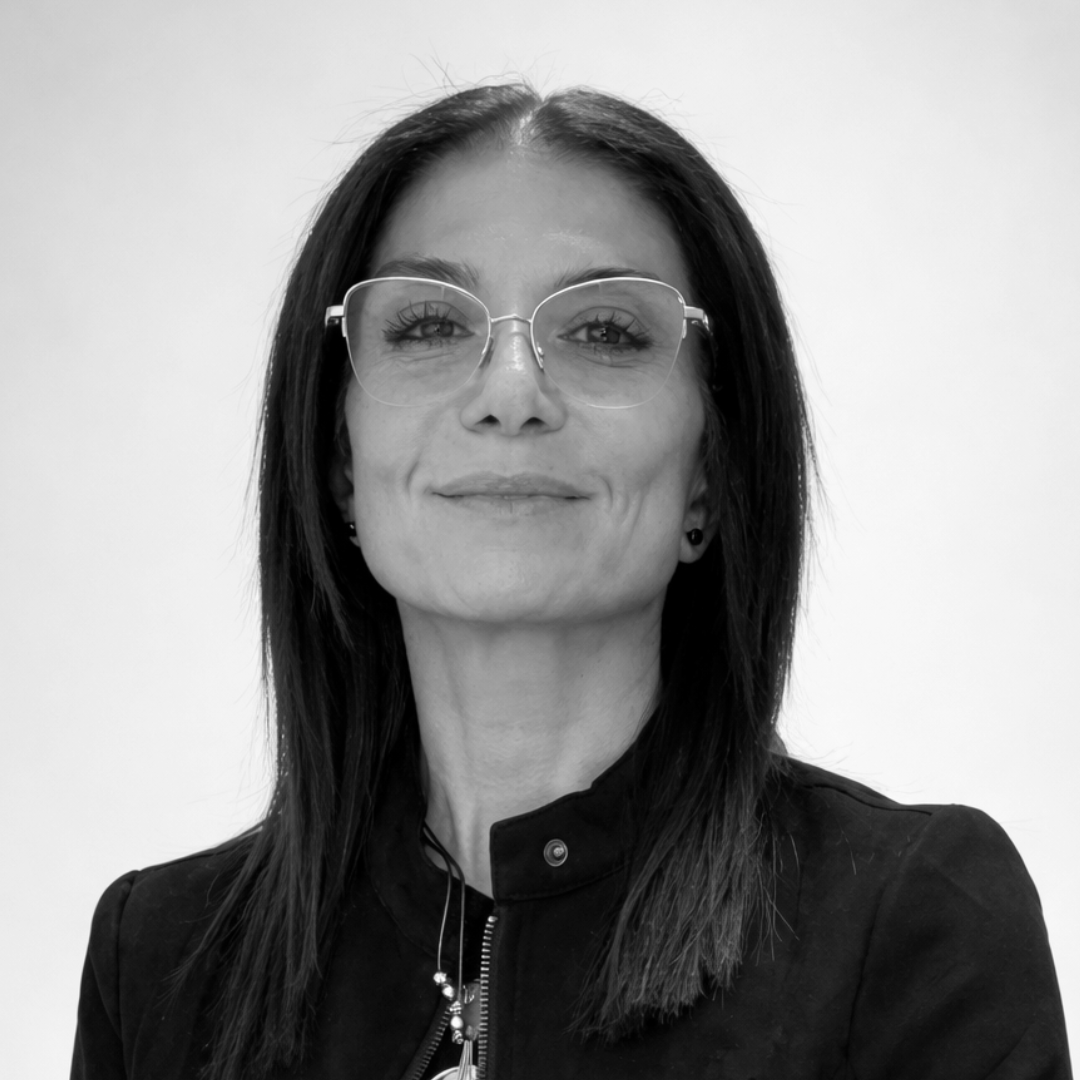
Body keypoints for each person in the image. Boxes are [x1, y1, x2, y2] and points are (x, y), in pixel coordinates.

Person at [70, 83, 1071, 1080]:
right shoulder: (159, 958)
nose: (511, 392)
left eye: (604, 331)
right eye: (429, 324)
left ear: (711, 473)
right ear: (337, 457)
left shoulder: (909, 923)